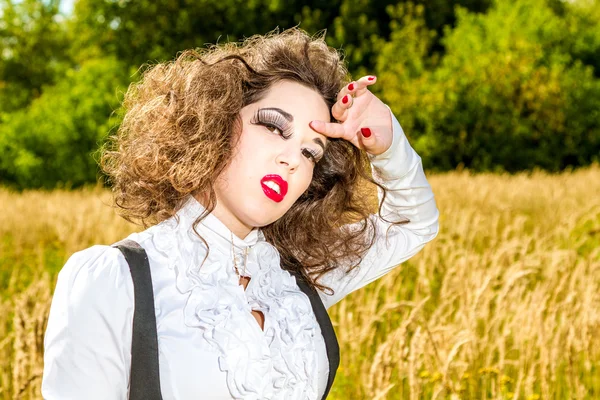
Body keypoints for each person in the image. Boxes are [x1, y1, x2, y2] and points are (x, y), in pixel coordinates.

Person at [41, 28, 439, 399]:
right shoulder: (114, 280)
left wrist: (387, 144)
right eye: (273, 128)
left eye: (309, 152)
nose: (291, 161)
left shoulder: (297, 277)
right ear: (214, 120)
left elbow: (412, 223)